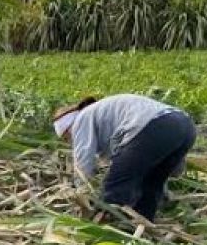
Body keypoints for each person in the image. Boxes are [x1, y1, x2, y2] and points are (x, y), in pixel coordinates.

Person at [53, 93, 197, 221]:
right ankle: (142, 227)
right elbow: (137, 161)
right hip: (184, 126)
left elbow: (83, 162)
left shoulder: (81, 119)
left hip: (154, 126)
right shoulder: (104, 115)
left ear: (69, 127)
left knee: (115, 187)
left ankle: (108, 230)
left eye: (67, 138)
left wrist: (81, 194)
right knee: (150, 186)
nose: (70, 142)